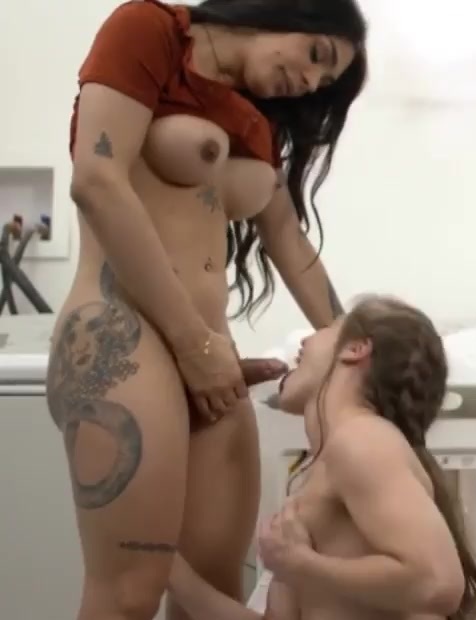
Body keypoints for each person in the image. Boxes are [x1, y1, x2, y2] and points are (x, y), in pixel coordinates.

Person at [48, 0, 368, 618]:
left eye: (322, 82)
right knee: (129, 594)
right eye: (316, 55)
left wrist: (356, 345)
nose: (309, 82)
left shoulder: (255, 120)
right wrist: (193, 345)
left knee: (214, 595)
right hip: (126, 335)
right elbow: (96, 181)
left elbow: (287, 239)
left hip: (210, 355)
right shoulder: (150, 30)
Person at [166, 296, 476, 620]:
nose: (304, 342)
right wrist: (167, 563)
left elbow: (437, 584)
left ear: (356, 349)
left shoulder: (362, 440)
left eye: (327, 328)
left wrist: (302, 565)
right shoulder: (321, 476)